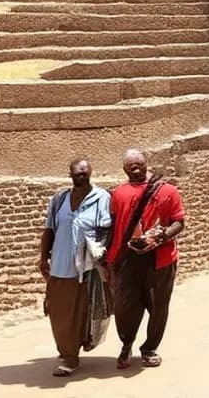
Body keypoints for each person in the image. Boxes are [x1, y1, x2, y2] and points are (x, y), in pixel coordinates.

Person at [107, 149, 186, 370]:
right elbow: (115, 227)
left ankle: (150, 348)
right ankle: (126, 343)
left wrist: (161, 236)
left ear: (146, 163)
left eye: (139, 164)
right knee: (124, 306)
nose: (136, 168)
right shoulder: (119, 193)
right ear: (124, 169)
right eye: (131, 166)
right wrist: (110, 258)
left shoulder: (168, 191)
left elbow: (179, 222)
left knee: (158, 306)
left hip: (160, 258)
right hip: (128, 259)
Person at [38, 158, 111, 377]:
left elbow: (107, 230)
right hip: (60, 265)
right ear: (70, 174)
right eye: (78, 173)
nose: (83, 176)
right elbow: (49, 229)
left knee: (81, 312)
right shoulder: (59, 199)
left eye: (86, 173)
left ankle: (71, 356)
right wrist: (43, 258)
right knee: (59, 312)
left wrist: (101, 258)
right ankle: (67, 351)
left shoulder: (101, 198)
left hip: (86, 267)